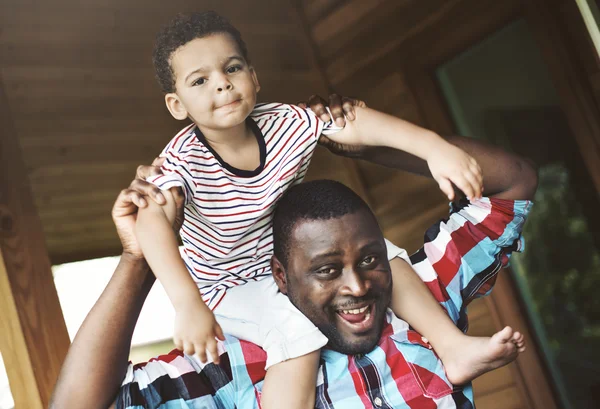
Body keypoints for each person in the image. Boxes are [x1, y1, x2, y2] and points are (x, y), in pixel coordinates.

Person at [49, 96, 536, 409]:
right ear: (280, 277)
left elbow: (512, 182)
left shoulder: (422, 294)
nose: (357, 287)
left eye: (369, 259)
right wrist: (138, 262)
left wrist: (364, 144)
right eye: (326, 270)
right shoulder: (233, 367)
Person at [135, 11, 516, 408]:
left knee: (383, 257)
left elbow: (352, 124)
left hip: (285, 262)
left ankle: (453, 348)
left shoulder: (282, 122)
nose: (222, 83)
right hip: (226, 288)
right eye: (200, 80)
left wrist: (435, 149)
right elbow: (149, 223)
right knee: (296, 336)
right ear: (177, 105)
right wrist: (187, 304)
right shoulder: (181, 161)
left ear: (254, 77)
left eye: (232, 68)